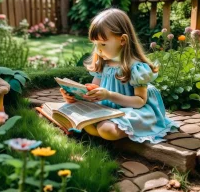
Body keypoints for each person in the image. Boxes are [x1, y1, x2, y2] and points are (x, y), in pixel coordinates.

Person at [60, 8, 178, 143]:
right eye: (95, 44)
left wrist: (109, 95)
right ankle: (100, 128)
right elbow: (94, 90)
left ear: (122, 40)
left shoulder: (136, 67)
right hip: (107, 110)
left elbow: (139, 101)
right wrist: (75, 96)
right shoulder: (103, 63)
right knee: (78, 118)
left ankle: (114, 130)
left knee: (106, 130)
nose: (98, 49)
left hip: (134, 110)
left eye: (103, 44)